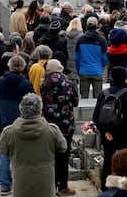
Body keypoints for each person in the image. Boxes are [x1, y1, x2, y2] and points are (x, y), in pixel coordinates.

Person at [0, 93, 67, 197]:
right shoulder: (52, 131)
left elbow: (2, 149)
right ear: (40, 111)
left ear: (21, 110)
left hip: (21, 183)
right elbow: (63, 148)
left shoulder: (9, 132)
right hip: (45, 184)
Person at [92, 66, 127, 192]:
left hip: (108, 135)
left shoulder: (103, 94)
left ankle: (106, 190)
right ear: (125, 78)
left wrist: (106, 132)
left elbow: (96, 117)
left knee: (108, 162)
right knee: (126, 163)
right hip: (124, 135)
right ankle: (124, 190)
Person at [40, 59, 79, 196]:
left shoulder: (43, 83)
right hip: (66, 125)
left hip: (49, 124)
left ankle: (50, 185)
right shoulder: (69, 83)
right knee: (64, 154)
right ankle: (63, 186)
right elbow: (75, 102)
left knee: (49, 155)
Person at [0, 55, 34, 195]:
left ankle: (5, 185)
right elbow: (32, 103)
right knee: (24, 153)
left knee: (5, 152)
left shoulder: (0, 81)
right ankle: (23, 183)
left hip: (4, 119)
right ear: (23, 67)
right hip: (22, 121)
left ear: (9, 66)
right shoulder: (25, 84)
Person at [75, 16, 108, 98]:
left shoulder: (81, 39)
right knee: (98, 98)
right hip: (97, 70)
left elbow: (77, 57)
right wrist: (101, 66)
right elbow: (104, 57)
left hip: (84, 70)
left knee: (83, 97)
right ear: (97, 25)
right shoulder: (102, 40)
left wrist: (79, 69)